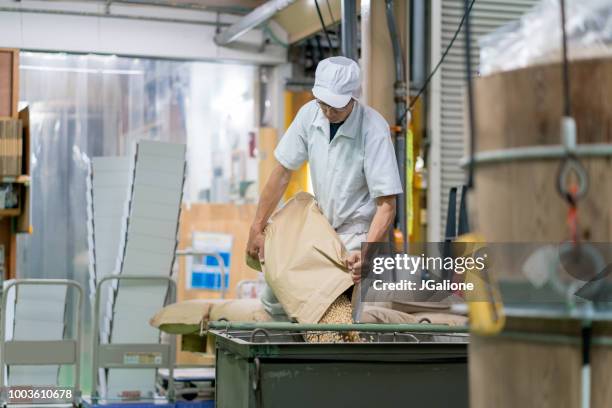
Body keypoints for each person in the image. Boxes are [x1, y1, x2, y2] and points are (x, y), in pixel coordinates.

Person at [247, 56, 402, 289]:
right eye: (323, 104)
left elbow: (387, 203)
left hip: (355, 233)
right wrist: (256, 227)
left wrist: (367, 251)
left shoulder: (373, 129)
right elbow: (281, 173)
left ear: (353, 98)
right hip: (320, 227)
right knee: (275, 291)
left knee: (335, 311)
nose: (328, 112)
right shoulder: (310, 114)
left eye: (336, 107)